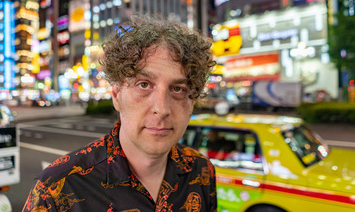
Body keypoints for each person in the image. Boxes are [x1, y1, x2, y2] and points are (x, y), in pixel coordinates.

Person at [22, 15, 217, 212]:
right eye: (144, 85)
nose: (162, 109)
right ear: (116, 95)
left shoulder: (201, 171)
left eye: (178, 89)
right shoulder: (56, 190)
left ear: (192, 101)